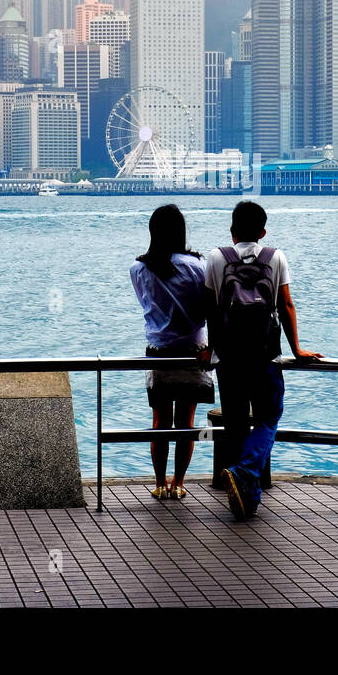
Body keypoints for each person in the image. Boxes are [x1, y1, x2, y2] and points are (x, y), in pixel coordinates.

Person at [205, 200, 322, 521]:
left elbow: (210, 310)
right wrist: (297, 350)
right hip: (266, 355)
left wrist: (210, 348)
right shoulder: (276, 257)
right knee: (270, 417)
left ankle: (247, 497)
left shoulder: (216, 258)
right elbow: (286, 305)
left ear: (231, 232)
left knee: (236, 424)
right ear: (263, 231)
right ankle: (244, 474)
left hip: (228, 359)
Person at [129, 204, 213, 500]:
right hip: (194, 352)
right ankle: (179, 483)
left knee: (160, 421)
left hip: (159, 351)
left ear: (152, 232)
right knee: (186, 423)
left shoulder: (138, 269)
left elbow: (146, 306)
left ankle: (159, 482)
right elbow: (208, 309)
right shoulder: (198, 266)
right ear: (181, 231)